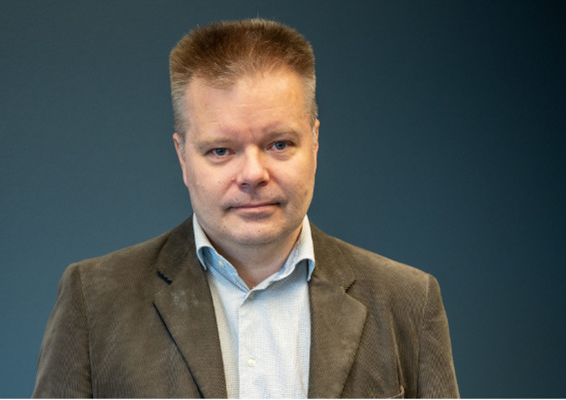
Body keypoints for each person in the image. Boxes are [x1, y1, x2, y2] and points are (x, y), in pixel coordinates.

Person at [32, 18, 458, 398]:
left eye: (279, 144)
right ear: (182, 157)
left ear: (314, 142)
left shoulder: (408, 301)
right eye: (221, 150)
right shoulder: (94, 301)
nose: (253, 174)